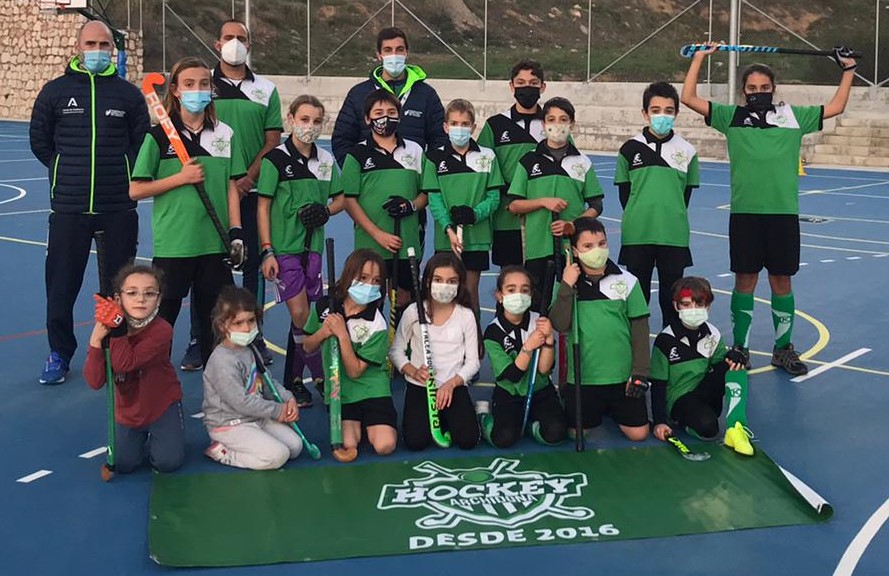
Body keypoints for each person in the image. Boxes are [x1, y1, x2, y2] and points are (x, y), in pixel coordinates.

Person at [681, 43, 857, 375]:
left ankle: (782, 348)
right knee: (744, 280)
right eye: (752, 88)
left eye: (764, 87)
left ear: (773, 89)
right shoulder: (730, 116)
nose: (758, 92)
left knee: (781, 282)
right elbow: (688, 98)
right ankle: (741, 347)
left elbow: (836, 105)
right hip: (745, 214)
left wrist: (847, 69)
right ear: (743, 92)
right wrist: (700, 59)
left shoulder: (793, 117)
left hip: (782, 214)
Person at [30, 20, 150, 384]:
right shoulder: (54, 92)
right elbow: (41, 141)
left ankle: (115, 349)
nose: (97, 50)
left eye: (104, 44)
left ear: (112, 48)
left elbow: (141, 143)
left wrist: (122, 170)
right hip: (69, 209)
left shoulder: (128, 95)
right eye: (91, 43)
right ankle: (60, 353)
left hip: (118, 208)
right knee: (62, 285)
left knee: (117, 287)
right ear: (78, 46)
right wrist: (63, 169)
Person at [179, 19, 284, 371]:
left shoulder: (266, 89)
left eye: (241, 38)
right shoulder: (203, 85)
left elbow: (272, 141)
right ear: (216, 43)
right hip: (210, 193)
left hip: (252, 191)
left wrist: (246, 177)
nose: (234, 43)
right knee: (203, 267)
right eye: (228, 37)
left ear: (250, 45)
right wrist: (226, 182)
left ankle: (252, 336)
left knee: (253, 266)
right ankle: (200, 339)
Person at [129, 57, 245, 367]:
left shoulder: (225, 134)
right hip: (175, 245)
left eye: (204, 84)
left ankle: (219, 390)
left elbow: (232, 186)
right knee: (162, 323)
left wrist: (236, 233)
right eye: (190, 84)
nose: (198, 90)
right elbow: (136, 189)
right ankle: (156, 385)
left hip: (214, 245)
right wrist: (180, 178)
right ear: (176, 91)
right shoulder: (158, 137)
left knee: (218, 326)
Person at [257, 95, 344, 407]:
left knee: (305, 315)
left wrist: (326, 211)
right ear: (290, 119)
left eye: (316, 121)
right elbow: (263, 206)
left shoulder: (325, 160)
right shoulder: (275, 160)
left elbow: (340, 199)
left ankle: (293, 380)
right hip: (284, 249)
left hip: (314, 249)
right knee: (300, 313)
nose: (310, 126)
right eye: (304, 119)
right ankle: (323, 377)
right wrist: (267, 250)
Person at [550, 217, 651, 442]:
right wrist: (567, 286)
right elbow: (559, 324)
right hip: (585, 377)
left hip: (621, 377)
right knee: (576, 433)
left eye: (602, 244)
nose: (597, 250)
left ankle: (613, 408)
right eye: (588, 246)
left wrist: (639, 373)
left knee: (639, 434)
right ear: (575, 251)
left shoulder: (628, 281)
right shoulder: (566, 283)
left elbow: (640, 331)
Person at [83, 264, 185, 473]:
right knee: (122, 464)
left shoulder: (162, 331)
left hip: (161, 406)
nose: (140, 299)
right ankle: (137, 438)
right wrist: (95, 340)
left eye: (149, 294)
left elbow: (124, 363)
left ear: (158, 299)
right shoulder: (108, 331)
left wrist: (118, 330)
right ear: (118, 299)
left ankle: (169, 429)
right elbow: (95, 381)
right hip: (129, 412)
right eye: (132, 293)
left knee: (168, 463)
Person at [615, 81, 700, 328]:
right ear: (645, 113)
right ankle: (637, 356)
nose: (662, 115)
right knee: (637, 298)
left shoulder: (688, 151)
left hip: (673, 236)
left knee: (671, 298)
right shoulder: (629, 149)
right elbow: (625, 195)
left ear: (676, 114)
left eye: (669, 110)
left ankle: (670, 349)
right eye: (655, 110)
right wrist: (640, 214)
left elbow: (684, 197)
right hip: (637, 234)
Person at [506, 97, 604, 310]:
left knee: (570, 305)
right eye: (551, 119)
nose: (557, 124)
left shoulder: (582, 162)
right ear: (543, 124)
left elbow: (596, 205)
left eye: (563, 119)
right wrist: (542, 202)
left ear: (572, 124)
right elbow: (514, 206)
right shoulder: (528, 161)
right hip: (537, 247)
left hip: (572, 248)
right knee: (537, 306)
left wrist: (573, 224)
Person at [303, 249, 397, 458]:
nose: (369, 285)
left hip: (371, 387)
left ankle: (373, 424)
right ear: (348, 275)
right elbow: (307, 346)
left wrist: (342, 335)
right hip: (339, 391)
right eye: (362, 278)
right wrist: (323, 333)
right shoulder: (323, 307)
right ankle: (360, 425)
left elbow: (355, 371)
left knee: (385, 446)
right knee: (348, 443)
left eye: (376, 281)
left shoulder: (377, 323)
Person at [341, 91, 426, 311]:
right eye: (378, 113)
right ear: (368, 118)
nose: (385, 118)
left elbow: (426, 193)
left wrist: (411, 205)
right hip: (370, 244)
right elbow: (349, 200)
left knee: (406, 306)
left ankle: (404, 347)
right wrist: (378, 234)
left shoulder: (415, 151)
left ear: (399, 116)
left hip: (406, 243)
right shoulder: (356, 154)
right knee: (370, 304)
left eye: (391, 112)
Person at [650, 276, 753, 456]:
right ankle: (683, 421)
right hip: (679, 398)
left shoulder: (713, 334)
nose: (693, 310)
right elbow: (658, 385)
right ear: (676, 306)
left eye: (699, 304)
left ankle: (736, 427)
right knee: (709, 430)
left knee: (735, 364)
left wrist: (734, 355)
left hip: (703, 392)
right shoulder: (665, 340)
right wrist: (659, 420)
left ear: (708, 306)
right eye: (686, 304)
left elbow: (721, 366)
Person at [202, 286, 303, 470]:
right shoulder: (222, 361)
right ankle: (225, 453)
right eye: (238, 323)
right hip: (230, 424)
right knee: (278, 456)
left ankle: (257, 439)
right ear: (223, 325)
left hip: (256, 418)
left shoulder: (250, 348)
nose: (247, 328)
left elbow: (267, 381)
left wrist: (288, 398)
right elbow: (239, 401)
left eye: (251, 321)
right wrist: (276, 410)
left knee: (295, 447)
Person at [390, 252, 480, 450]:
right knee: (415, 442)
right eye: (438, 280)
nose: (444, 285)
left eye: (451, 281)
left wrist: (452, 383)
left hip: (452, 386)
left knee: (467, 440)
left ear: (460, 284)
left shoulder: (465, 315)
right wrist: (412, 371)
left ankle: (457, 415)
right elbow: (396, 350)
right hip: (421, 385)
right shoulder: (414, 311)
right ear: (428, 281)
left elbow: (473, 362)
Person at [423, 98, 503, 314]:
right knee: (445, 292)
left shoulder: (488, 156)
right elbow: (435, 200)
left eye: (465, 124)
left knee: (469, 292)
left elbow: (494, 197)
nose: (460, 129)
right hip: (447, 239)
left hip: (477, 239)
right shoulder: (433, 158)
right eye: (455, 123)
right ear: (445, 127)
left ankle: (474, 343)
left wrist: (474, 214)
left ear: (473, 127)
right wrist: (448, 228)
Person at [331, 26, 446, 166]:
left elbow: (440, 140)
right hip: (370, 180)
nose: (394, 55)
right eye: (388, 50)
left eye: (399, 49)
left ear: (406, 53)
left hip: (411, 181)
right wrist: (356, 173)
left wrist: (426, 176)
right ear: (379, 55)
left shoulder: (427, 94)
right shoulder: (358, 94)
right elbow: (342, 140)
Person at [480, 266, 567, 448]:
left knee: (556, 433)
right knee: (503, 438)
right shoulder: (493, 332)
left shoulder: (539, 322)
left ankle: (531, 426)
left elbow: (544, 369)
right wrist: (528, 347)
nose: (518, 295)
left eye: (524, 290)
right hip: (509, 394)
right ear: (500, 296)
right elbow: (513, 375)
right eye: (511, 290)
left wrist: (549, 341)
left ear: (531, 295)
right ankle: (483, 418)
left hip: (540, 391)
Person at [477, 60, 548, 268]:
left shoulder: (552, 124)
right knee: (510, 281)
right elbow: (482, 167)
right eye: (521, 82)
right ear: (511, 86)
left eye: (533, 83)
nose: (527, 87)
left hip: (543, 220)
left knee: (542, 281)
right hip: (505, 219)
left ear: (542, 87)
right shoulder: (495, 125)